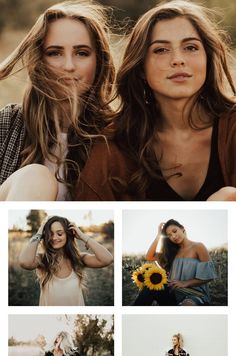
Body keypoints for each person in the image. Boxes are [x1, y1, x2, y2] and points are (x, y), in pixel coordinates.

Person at [0, 0, 132, 201]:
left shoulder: (121, 135)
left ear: (99, 61)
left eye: (81, 53)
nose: (69, 66)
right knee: (35, 177)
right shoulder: (9, 123)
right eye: (55, 53)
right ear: (39, 60)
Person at [113, 0, 236, 201]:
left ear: (208, 58)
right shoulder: (115, 139)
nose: (178, 59)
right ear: (141, 67)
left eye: (190, 47)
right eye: (161, 50)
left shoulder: (232, 127)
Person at [18, 215, 113, 305]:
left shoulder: (78, 259)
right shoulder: (43, 259)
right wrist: (39, 234)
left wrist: (83, 236)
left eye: (59, 234)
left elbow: (107, 259)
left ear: (68, 235)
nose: (54, 238)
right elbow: (24, 262)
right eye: (50, 234)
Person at [144, 219, 217, 305]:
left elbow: (209, 276)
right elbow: (149, 256)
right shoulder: (171, 252)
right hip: (173, 293)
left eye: (175, 231)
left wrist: (185, 283)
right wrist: (159, 235)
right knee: (149, 288)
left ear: (182, 228)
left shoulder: (198, 247)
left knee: (187, 305)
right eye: (169, 235)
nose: (173, 236)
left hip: (194, 295)